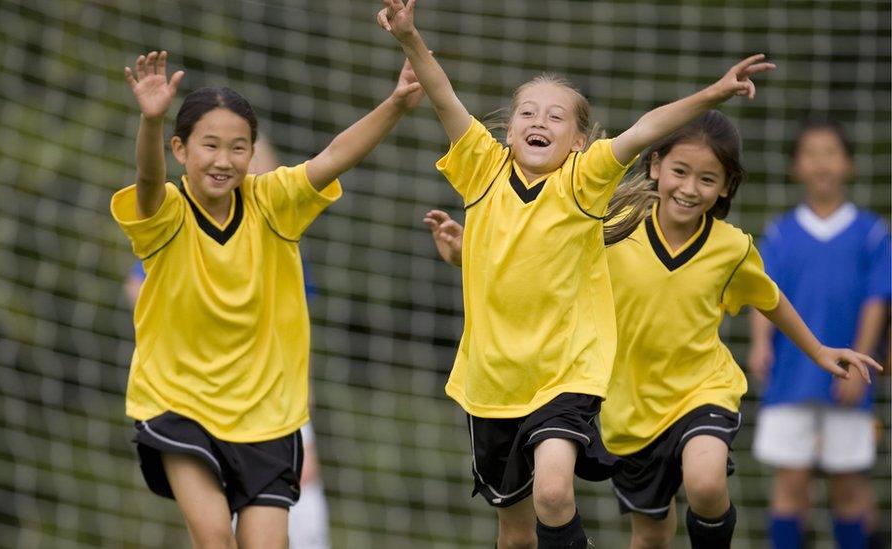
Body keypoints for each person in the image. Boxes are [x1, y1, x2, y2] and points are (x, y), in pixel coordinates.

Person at [377, 0, 776, 546]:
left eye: (555, 116)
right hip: (491, 379)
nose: (539, 121)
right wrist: (408, 38)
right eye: (527, 112)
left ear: (578, 142)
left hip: (565, 374)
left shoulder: (582, 182)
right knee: (516, 535)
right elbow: (444, 96)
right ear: (509, 127)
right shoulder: (480, 169)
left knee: (554, 492)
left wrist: (713, 92)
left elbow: (646, 129)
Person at [422, 111, 881, 549]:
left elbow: (772, 300)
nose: (689, 188)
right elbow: (539, 265)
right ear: (656, 166)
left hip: (703, 389)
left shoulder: (731, 248)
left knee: (706, 483)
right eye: (680, 171)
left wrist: (818, 350)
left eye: (707, 179)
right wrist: (465, 254)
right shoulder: (614, 230)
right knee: (652, 535)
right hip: (630, 410)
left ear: (725, 188)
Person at [111, 50, 422, 548]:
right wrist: (149, 120)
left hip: (268, 416)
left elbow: (336, 155)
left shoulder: (274, 203)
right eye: (209, 145)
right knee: (215, 538)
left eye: (238, 147)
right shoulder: (166, 214)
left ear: (252, 152)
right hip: (179, 403)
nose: (223, 160)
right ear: (179, 148)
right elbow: (147, 181)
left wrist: (397, 104)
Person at [122, 137, 332, 549]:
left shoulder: (279, 234)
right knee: (216, 533)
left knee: (301, 523)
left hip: (272, 401)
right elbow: (137, 284)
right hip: (199, 396)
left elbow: (293, 329)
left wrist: (304, 413)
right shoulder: (181, 226)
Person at [748, 119, 892, 549]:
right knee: (790, 483)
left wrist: (859, 361)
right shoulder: (780, 233)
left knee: (848, 486)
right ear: (796, 167)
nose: (821, 162)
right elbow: (764, 293)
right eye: (811, 153)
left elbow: (876, 300)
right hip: (792, 376)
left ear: (848, 164)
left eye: (831, 152)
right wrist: (758, 345)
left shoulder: (871, 233)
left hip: (848, 379)